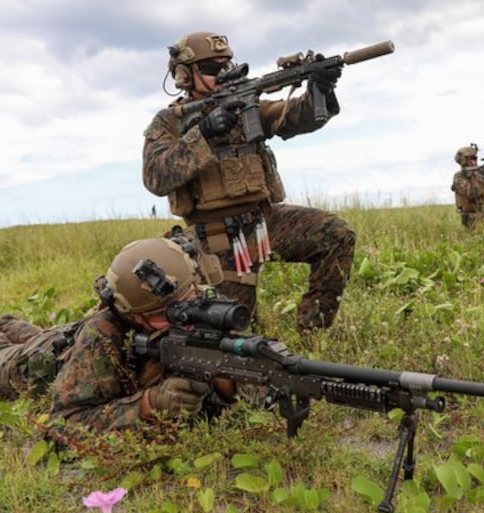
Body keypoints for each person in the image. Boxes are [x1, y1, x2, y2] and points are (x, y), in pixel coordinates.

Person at [141, 31, 355, 334]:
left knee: (337, 235)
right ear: (185, 75)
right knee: (235, 330)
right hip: (213, 238)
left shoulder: (247, 106)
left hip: (263, 222)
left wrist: (319, 88)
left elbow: (295, 116)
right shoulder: (169, 122)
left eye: (227, 65)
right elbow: (155, 176)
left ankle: (312, 332)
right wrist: (203, 133)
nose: (224, 73)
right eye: (212, 69)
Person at [0, 237, 234, 432]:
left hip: (67, 338)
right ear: (133, 316)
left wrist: (228, 382)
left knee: (38, 333)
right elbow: (64, 423)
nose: (185, 316)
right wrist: (148, 404)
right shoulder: (103, 334)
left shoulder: (205, 304)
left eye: (187, 300)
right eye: (164, 313)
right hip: (47, 366)